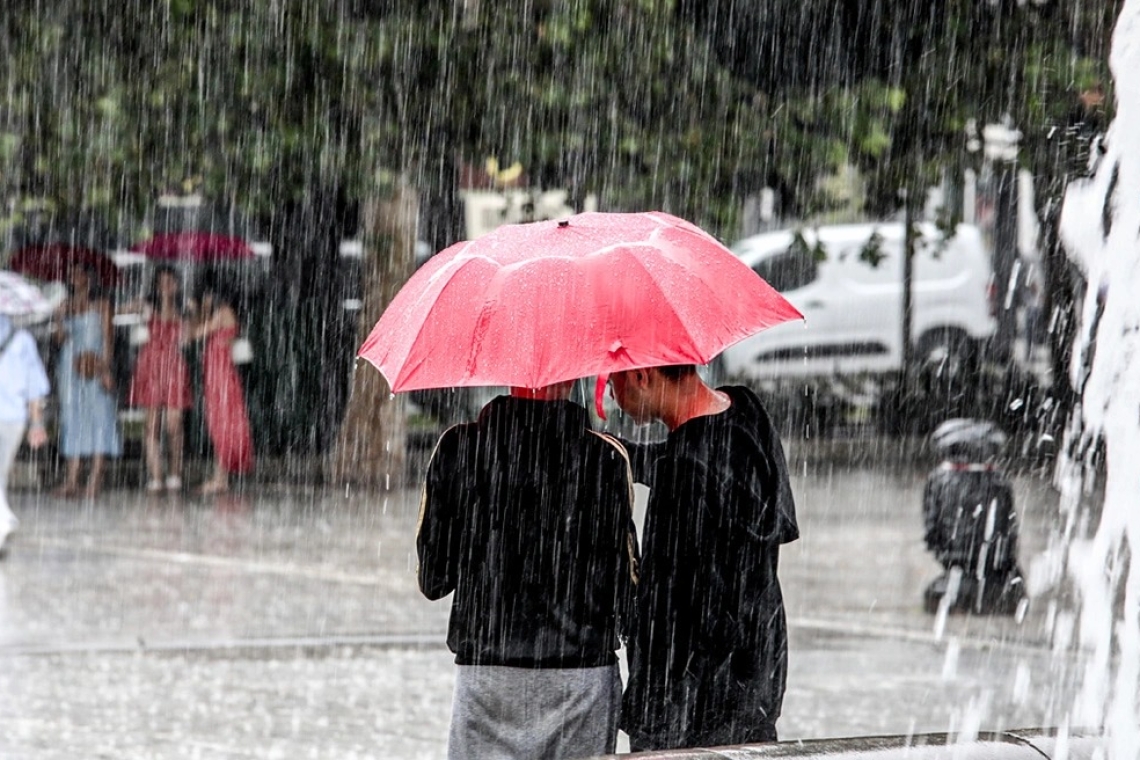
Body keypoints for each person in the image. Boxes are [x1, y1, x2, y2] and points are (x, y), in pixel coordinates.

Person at [417, 381, 639, 760]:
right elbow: (626, 590)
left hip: (488, 675)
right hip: (581, 677)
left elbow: (434, 580)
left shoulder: (458, 448)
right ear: (572, 375)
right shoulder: (606, 457)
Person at [608, 364, 798, 750]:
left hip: (691, 712)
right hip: (756, 679)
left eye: (612, 380)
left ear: (643, 375)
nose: (611, 394)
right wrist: (627, 455)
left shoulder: (685, 474)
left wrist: (652, 721)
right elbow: (701, 456)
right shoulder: (745, 414)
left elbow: (671, 614)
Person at [52, 264, 121, 498]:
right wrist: (59, 319)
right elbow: (60, 340)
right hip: (70, 368)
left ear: (90, 277)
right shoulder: (66, 306)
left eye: (79, 272)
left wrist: (106, 369)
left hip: (95, 365)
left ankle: (95, 479)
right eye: (70, 273)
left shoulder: (102, 305)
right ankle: (72, 480)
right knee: (72, 419)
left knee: (100, 417)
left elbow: (109, 342)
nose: (73, 276)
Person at [128, 266, 193, 492]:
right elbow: (119, 310)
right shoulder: (147, 308)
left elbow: (189, 338)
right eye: (161, 282)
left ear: (176, 285)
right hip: (151, 367)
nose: (166, 286)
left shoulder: (184, 311)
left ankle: (175, 472)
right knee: (152, 425)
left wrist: (194, 314)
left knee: (174, 425)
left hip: (174, 367)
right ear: (156, 286)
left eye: (170, 281)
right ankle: (156, 475)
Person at [186, 279, 253, 494]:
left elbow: (195, 334)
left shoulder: (223, 312)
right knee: (220, 424)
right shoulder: (223, 313)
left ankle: (220, 477)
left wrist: (198, 309)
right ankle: (220, 477)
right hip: (217, 378)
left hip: (222, 378)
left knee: (223, 423)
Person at [0, 314, 50, 555]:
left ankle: (3, 518)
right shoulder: (22, 338)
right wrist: (36, 423)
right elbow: (34, 386)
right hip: (13, 418)